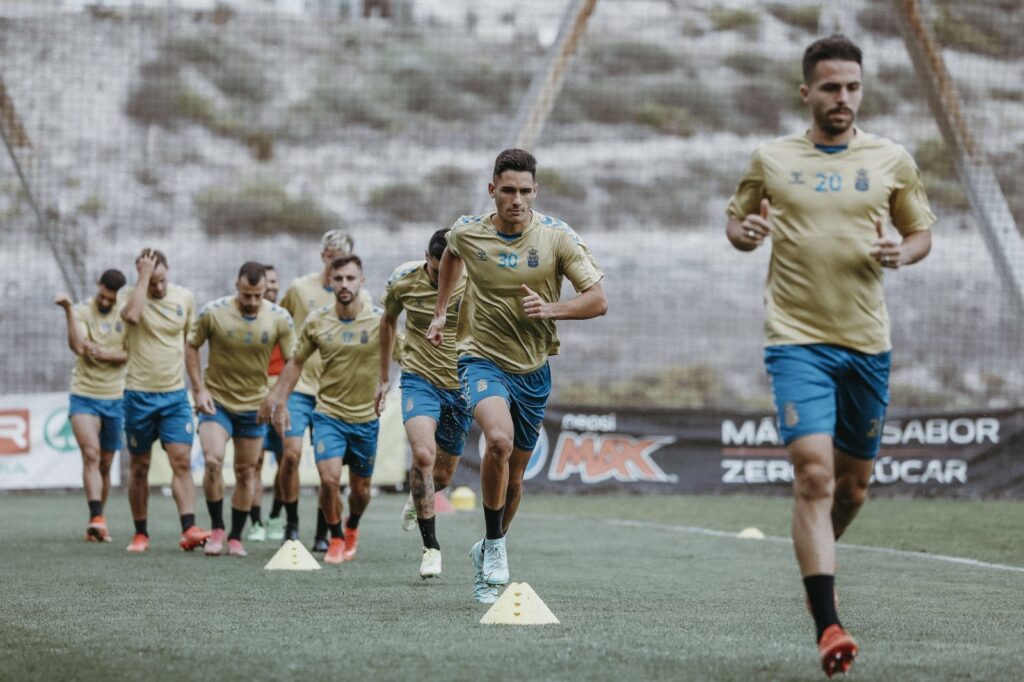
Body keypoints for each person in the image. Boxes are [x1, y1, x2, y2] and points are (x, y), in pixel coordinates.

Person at [724, 34, 934, 678]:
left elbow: (921, 232)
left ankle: (816, 563)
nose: (842, 98)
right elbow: (735, 224)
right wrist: (747, 233)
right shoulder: (772, 159)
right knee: (812, 476)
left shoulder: (892, 159)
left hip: (867, 343)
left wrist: (905, 252)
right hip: (795, 341)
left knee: (853, 487)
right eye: (830, 87)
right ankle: (829, 624)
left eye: (853, 88)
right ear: (806, 92)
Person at [426, 148, 607, 603]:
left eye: (525, 191)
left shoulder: (557, 237)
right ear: (492, 190)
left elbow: (598, 300)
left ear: (535, 192)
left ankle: (489, 545)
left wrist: (551, 309)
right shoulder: (469, 231)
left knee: (517, 480)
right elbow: (450, 254)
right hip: (480, 358)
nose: (517, 199)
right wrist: (442, 311)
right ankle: (496, 551)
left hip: (534, 368)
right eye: (508, 190)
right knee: (499, 441)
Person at [260, 255, 381, 565]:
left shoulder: (380, 322)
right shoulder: (317, 321)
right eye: (338, 278)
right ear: (331, 281)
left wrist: (389, 384)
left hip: (366, 418)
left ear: (361, 281)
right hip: (328, 414)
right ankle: (335, 536)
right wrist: (281, 400)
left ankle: (351, 526)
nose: (344, 284)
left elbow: (405, 354)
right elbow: (296, 362)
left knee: (361, 490)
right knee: (328, 479)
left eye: (350, 278)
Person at [185, 262, 296, 557]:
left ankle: (236, 536)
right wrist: (198, 388)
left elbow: (293, 362)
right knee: (212, 461)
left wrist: (276, 397)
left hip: (254, 407)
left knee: (247, 472)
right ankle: (217, 529)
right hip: (217, 402)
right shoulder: (213, 312)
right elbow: (191, 345)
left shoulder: (279, 318)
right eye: (247, 295)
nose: (252, 302)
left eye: (258, 296)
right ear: (237, 287)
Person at [376, 228, 469, 579]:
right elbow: (386, 321)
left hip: (461, 385)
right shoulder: (403, 281)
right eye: (436, 268)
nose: (443, 275)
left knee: (441, 475)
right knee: (424, 455)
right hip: (418, 379)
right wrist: (384, 378)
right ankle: (431, 548)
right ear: (428, 259)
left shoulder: (474, 278)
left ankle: (417, 499)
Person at [277, 230, 368, 549]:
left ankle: (322, 532)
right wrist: (276, 386)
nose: (335, 264)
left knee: (331, 468)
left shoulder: (362, 297)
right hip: (301, 387)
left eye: (342, 257)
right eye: (331, 256)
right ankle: (291, 524)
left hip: (337, 394)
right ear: (323, 256)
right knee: (291, 454)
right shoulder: (299, 290)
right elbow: (277, 324)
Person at [120, 249, 211, 553]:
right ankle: (141, 533)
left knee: (182, 460)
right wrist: (144, 277)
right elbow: (131, 316)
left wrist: (197, 388)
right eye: (152, 281)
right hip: (138, 395)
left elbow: (190, 345)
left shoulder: (184, 297)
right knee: (140, 466)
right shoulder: (130, 295)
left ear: (169, 272)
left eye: (161, 281)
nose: (158, 288)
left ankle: (189, 528)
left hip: (174, 396)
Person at [55, 269, 128, 542]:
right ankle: (96, 516)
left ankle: (97, 520)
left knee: (106, 464)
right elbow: (78, 346)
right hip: (84, 394)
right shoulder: (82, 310)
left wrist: (105, 354)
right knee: (91, 454)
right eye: (103, 296)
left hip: (116, 396)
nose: (106, 303)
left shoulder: (127, 313)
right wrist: (67, 310)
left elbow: (129, 353)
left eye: (111, 299)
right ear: (97, 286)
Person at [248, 264, 285, 543]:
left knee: (287, 459)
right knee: (254, 462)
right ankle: (255, 522)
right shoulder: (245, 317)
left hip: (282, 392)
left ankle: (275, 517)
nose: (270, 286)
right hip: (254, 392)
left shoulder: (284, 317)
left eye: (274, 282)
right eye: (266, 282)